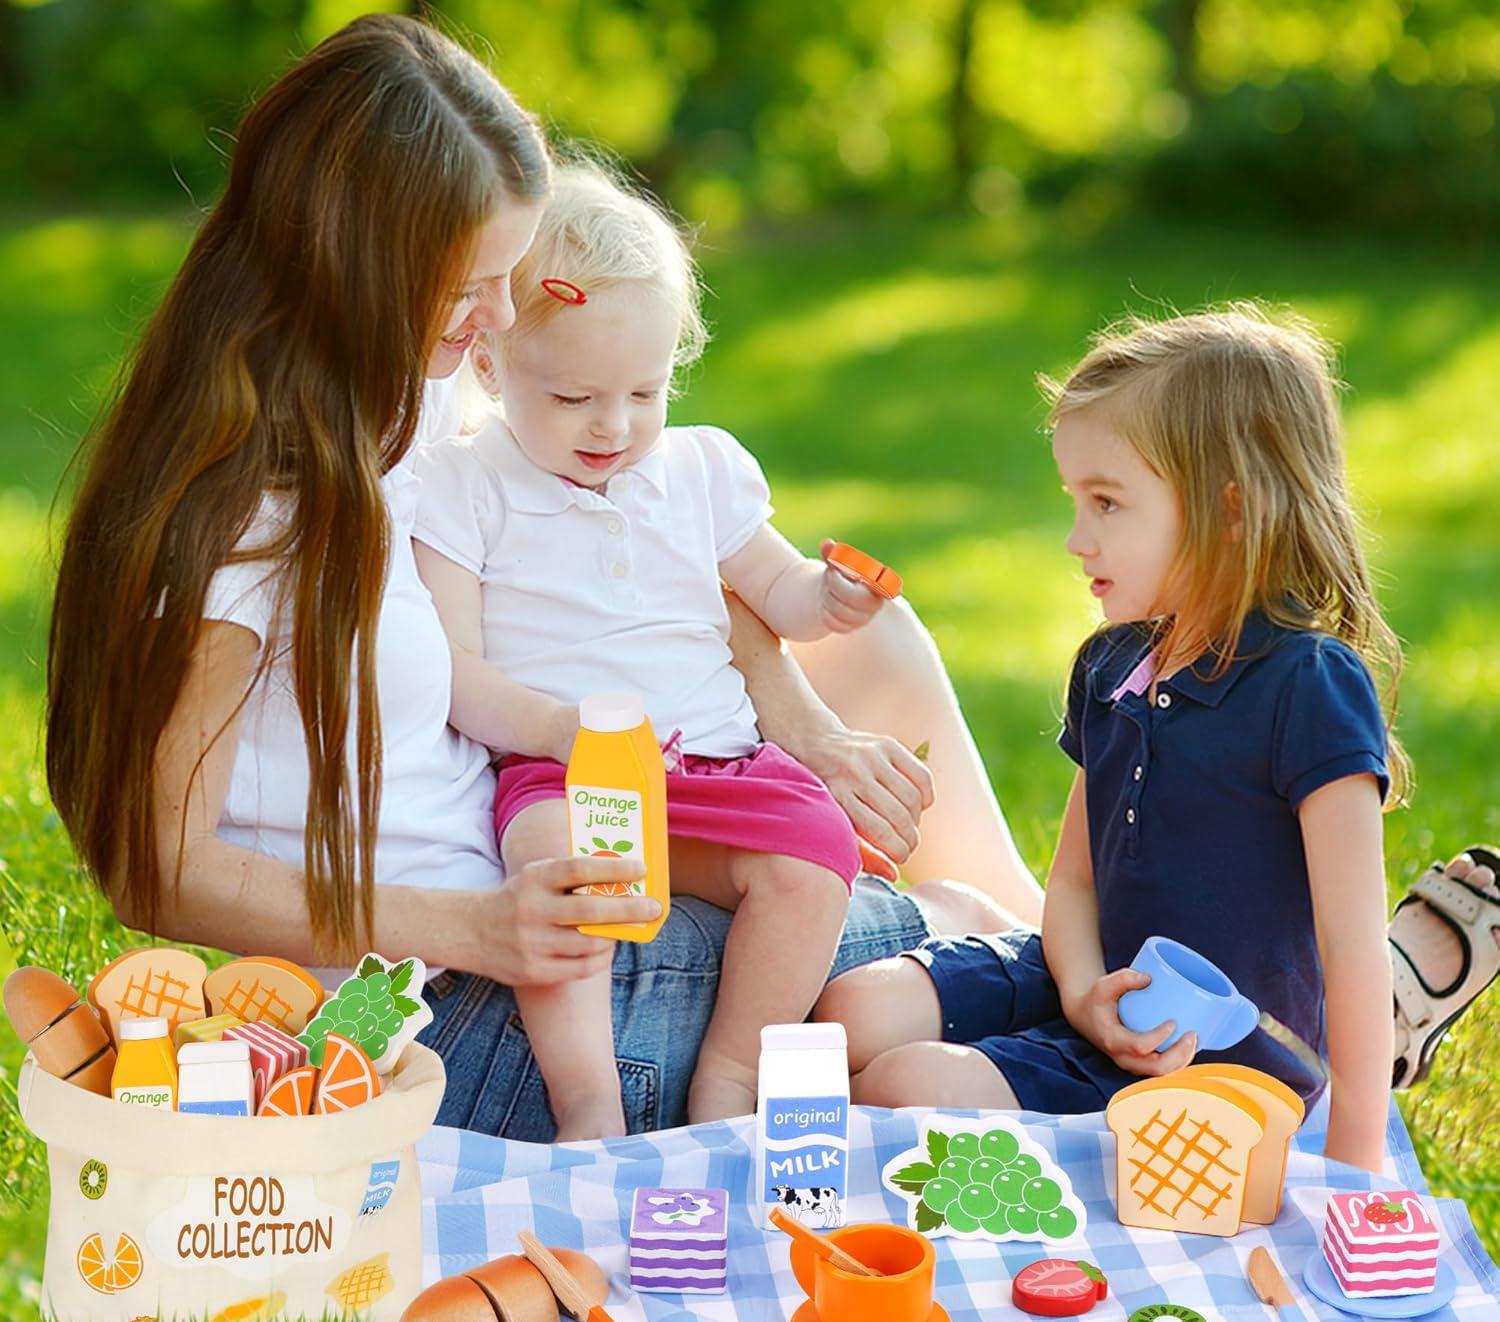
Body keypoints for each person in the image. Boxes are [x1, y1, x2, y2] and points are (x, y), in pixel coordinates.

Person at [39, 14, 1039, 1144]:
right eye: (473, 285)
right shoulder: (246, 518)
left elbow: (646, 555)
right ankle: (1083, 994)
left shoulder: (395, 400)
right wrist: (477, 927)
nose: (505, 318)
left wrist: (801, 722)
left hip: (544, 881)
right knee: (956, 942)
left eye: (512, 276)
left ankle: (1057, 966)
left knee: (876, 651)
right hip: (459, 1004)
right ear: (354, 266)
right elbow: (149, 867)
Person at [817, 306, 1499, 1173]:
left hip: (1210, 1056)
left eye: (1106, 503)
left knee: (902, 1084)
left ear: (1230, 511)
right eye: (1075, 501)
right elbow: (1070, 882)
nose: (1076, 538)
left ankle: (1391, 1036)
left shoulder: (1310, 688)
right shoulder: (1113, 666)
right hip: (1095, 984)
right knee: (844, 1016)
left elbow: (1350, 944)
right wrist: (1080, 992)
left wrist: (1357, 1156)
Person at [403, 163, 892, 1137]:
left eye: (644, 390)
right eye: (576, 396)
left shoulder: (701, 469)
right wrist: (556, 728)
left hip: (720, 762)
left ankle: (729, 1077)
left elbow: (777, 590)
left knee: (817, 854)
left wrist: (827, 599)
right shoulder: (468, 486)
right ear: (491, 367)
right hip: (569, 771)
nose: (614, 426)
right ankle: (586, 1096)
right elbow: (454, 672)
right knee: (553, 870)